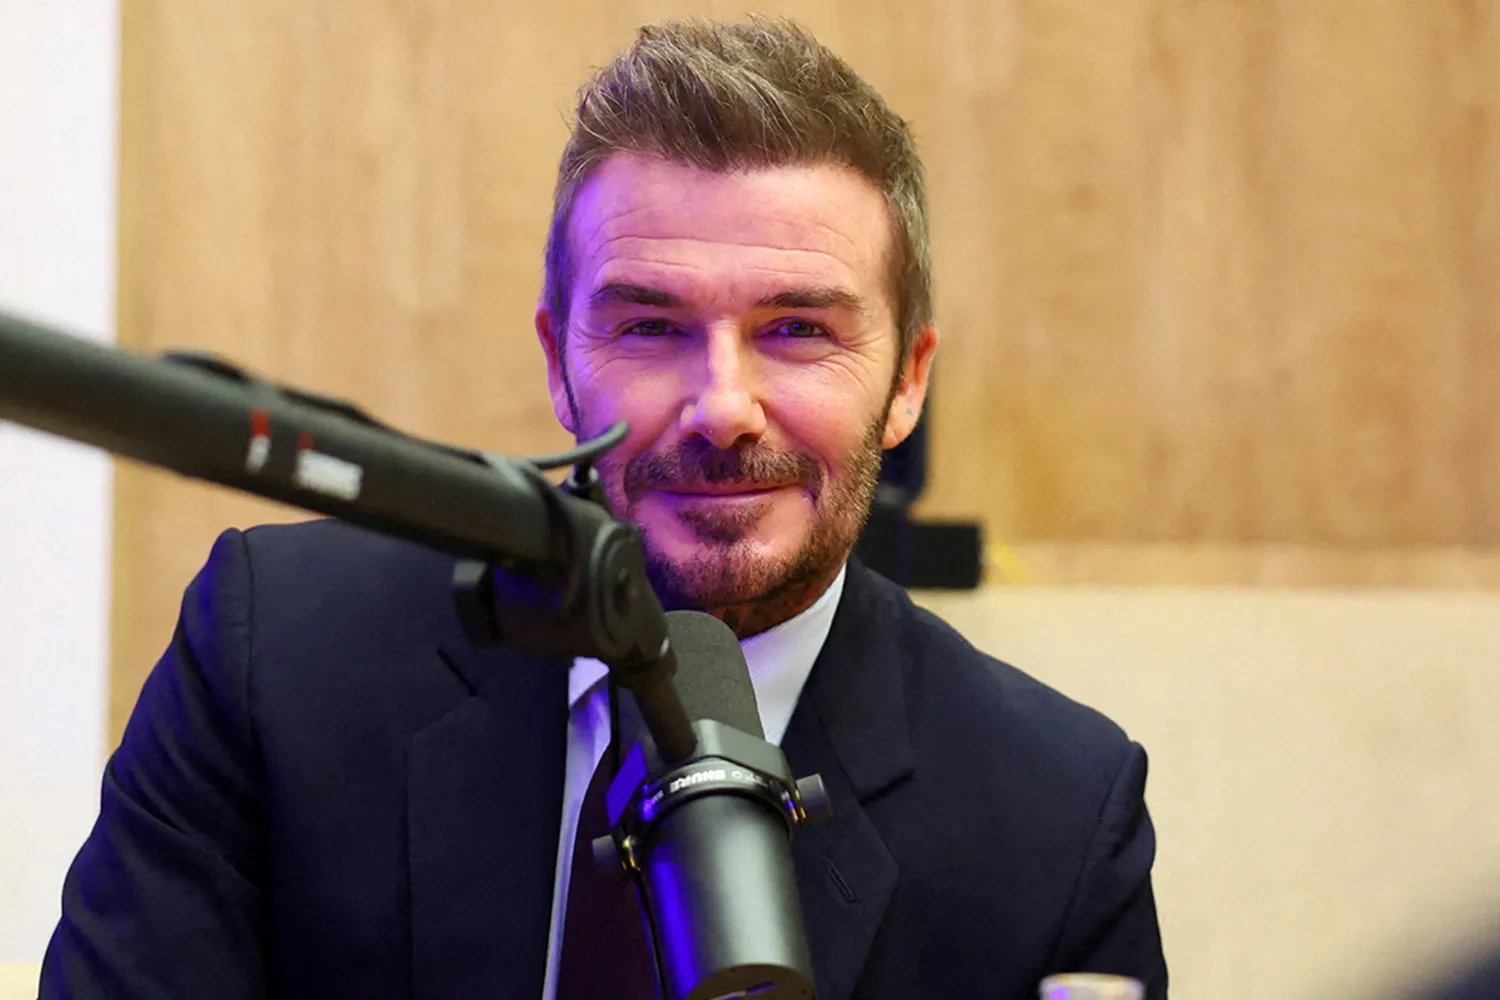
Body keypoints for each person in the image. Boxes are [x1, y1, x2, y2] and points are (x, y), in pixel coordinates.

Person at [40, 17, 1167, 999]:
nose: (723, 406)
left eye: (798, 328)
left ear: (908, 379)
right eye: (648, 325)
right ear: (558, 356)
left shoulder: (1057, 818)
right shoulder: (275, 656)